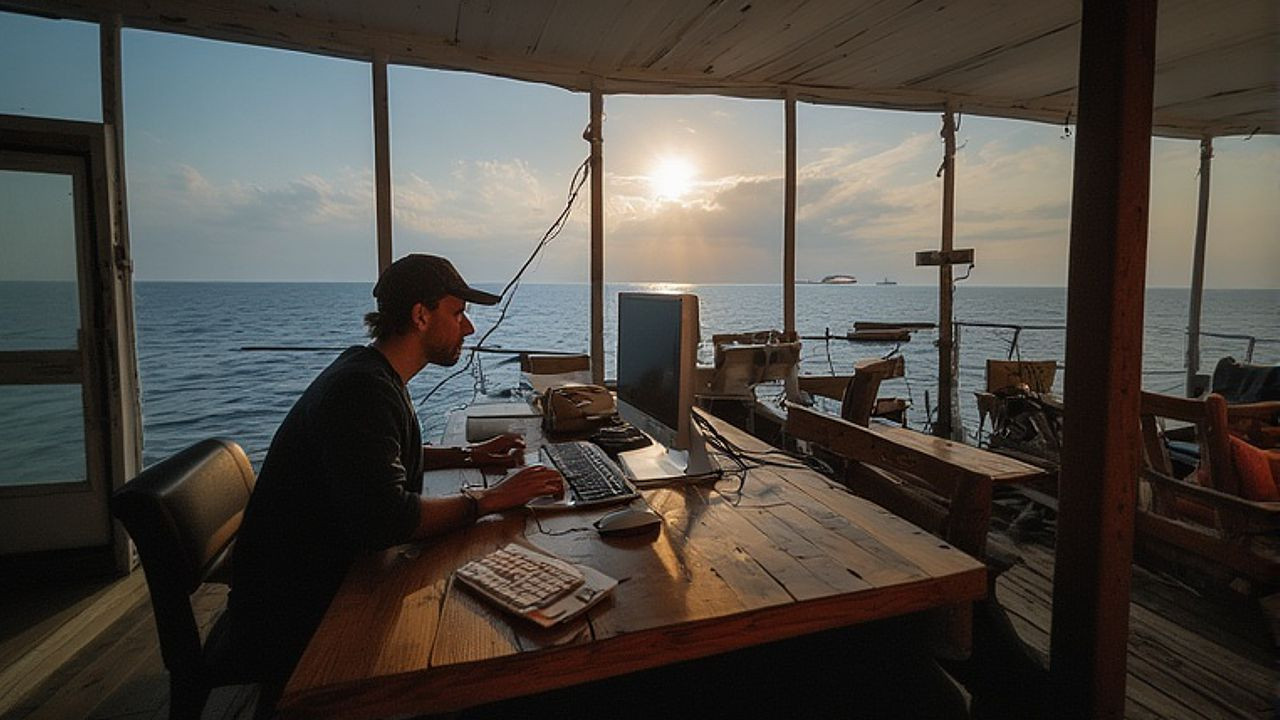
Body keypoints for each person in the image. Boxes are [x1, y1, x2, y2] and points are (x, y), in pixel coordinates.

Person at [228, 253, 563, 685]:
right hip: (295, 612)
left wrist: (470, 454)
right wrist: (492, 499)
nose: (469, 327)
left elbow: (384, 458)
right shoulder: (362, 391)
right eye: (458, 313)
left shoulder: (368, 372)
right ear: (421, 316)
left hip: (320, 578)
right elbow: (391, 518)